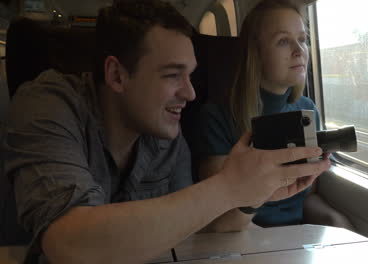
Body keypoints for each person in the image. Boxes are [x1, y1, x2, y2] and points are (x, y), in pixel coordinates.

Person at [1, 0, 330, 263]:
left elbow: (198, 226)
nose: (190, 94)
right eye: (173, 75)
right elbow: (69, 245)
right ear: (117, 75)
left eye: (190, 75)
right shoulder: (47, 105)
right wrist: (230, 186)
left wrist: (250, 194)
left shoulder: (164, 133)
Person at [193, 0, 353, 231]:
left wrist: (336, 224)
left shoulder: (308, 111)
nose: (299, 50)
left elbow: (306, 196)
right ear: (255, 54)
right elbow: (220, 218)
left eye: (302, 39)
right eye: (283, 41)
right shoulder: (216, 118)